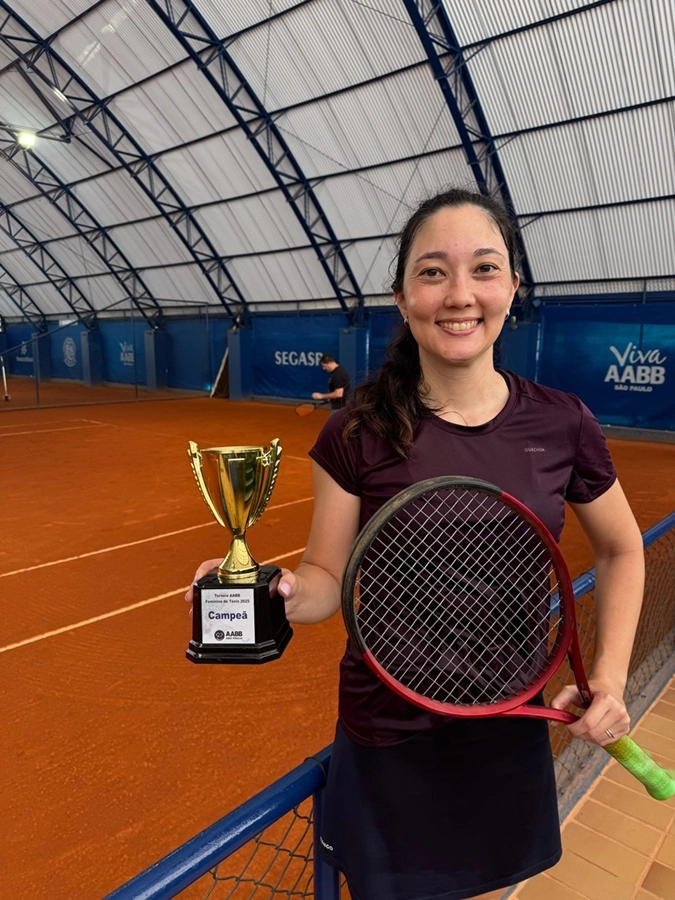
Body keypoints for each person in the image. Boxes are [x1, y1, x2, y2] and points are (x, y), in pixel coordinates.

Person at [188, 188, 645, 900]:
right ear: (401, 298)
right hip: (390, 736)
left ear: (511, 290)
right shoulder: (357, 429)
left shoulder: (563, 422)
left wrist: (609, 679)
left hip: (507, 723)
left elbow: (620, 550)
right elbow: (322, 580)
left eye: (483, 269)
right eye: (432, 272)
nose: (459, 294)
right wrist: (262, 587)